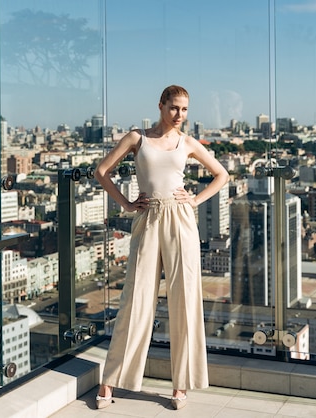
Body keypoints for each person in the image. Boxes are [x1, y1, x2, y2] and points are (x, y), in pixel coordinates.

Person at [94, 85, 229, 410]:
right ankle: (110, 381)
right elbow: (102, 171)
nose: (179, 115)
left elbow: (222, 175)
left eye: (184, 109)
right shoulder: (137, 138)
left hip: (181, 222)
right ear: (160, 106)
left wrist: (194, 200)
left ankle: (181, 385)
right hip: (148, 219)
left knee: (185, 300)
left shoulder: (188, 143)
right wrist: (125, 204)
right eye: (174, 108)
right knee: (134, 300)